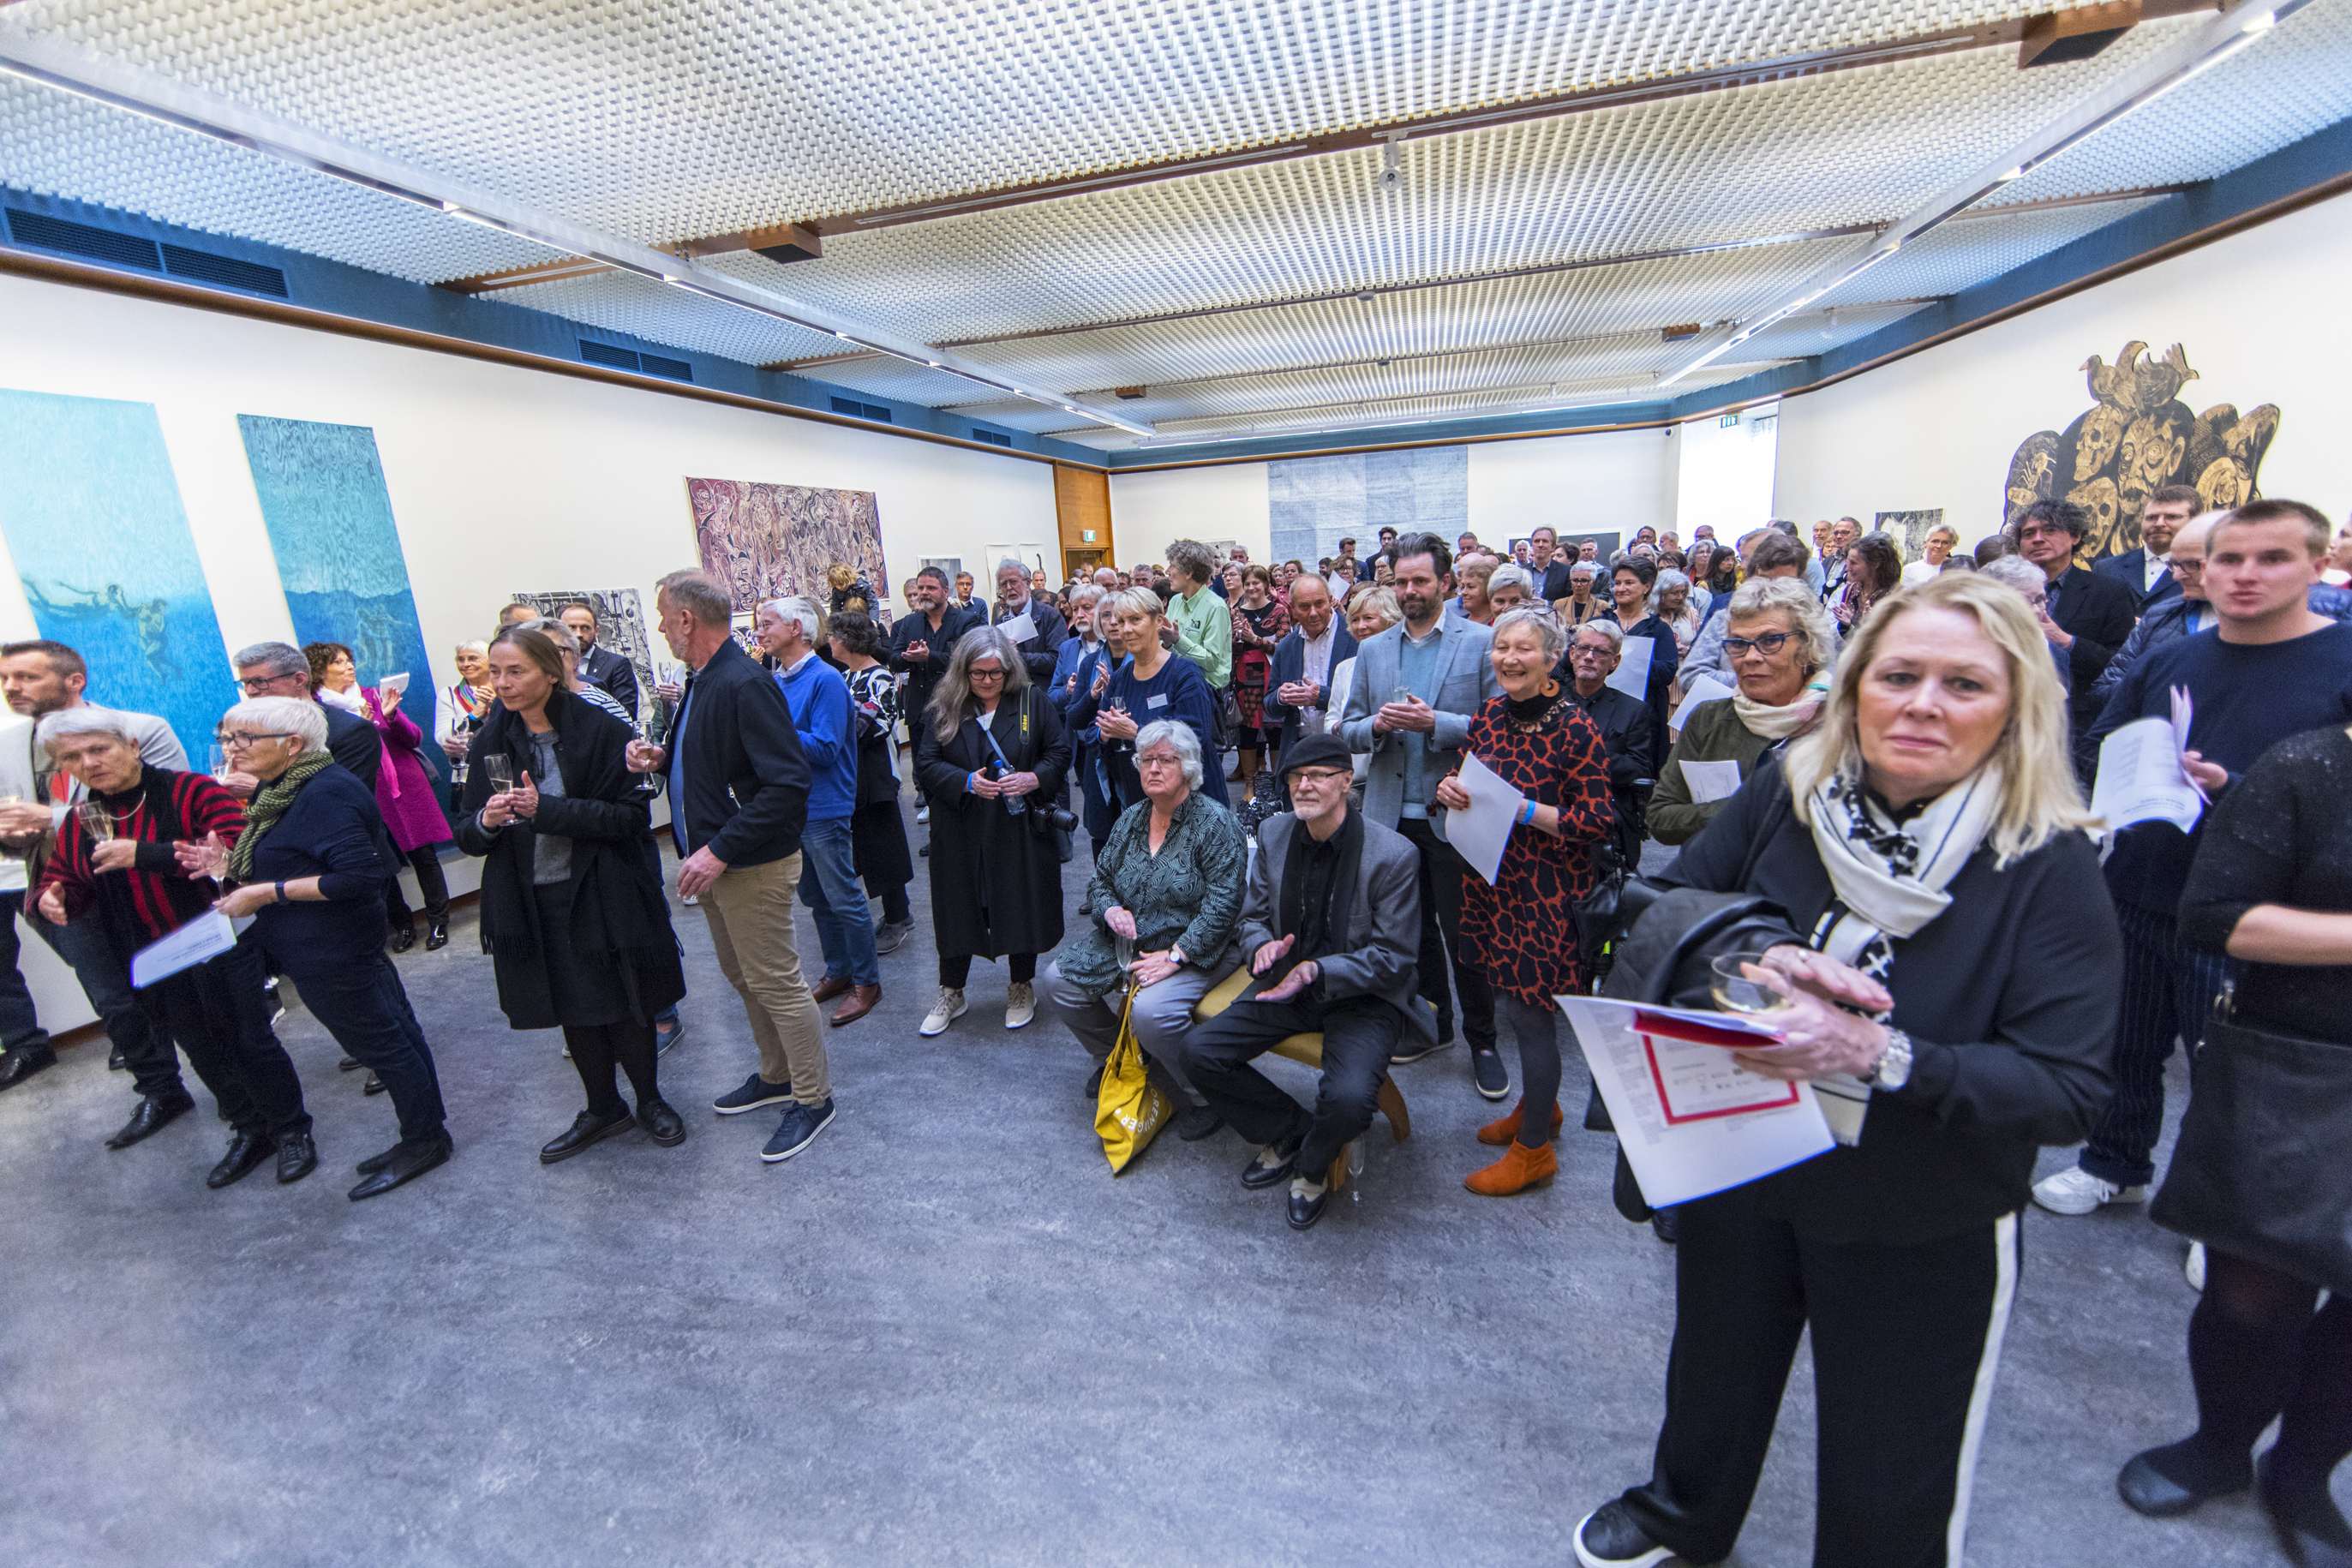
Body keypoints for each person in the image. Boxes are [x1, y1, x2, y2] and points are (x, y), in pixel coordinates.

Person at [1573, 571, 2122, 1568]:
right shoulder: (1792, 788)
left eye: (1964, 684)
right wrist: (1752, 954)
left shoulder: (2051, 863)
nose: (1921, 703)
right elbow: (1670, 903)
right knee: (1715, 1370)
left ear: (2016, 708)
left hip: (1918, 1205)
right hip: (1745, 1151)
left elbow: (2067, 1091)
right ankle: (1680, 1512)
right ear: (1856, 683)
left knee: (1892, 1450)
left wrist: (1880, 1053)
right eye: (1900, 674)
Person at [2039, 499, 2352, 1217]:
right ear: (2201, 570)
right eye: (2226, 559)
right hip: (2144, 882)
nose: (2244, 575)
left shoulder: (2340, 664)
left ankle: (2224, 1209)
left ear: (2315, 564)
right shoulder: (2170, 655)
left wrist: (2237, 791)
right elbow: (2104, 742)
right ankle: (2113, 1162)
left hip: (2261, 909)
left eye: (2270, 559)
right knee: (2126, 1045)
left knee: (2230, 1065)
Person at [2113, 721, 2352, 1560]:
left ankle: (2304, 1473)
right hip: (2297, 1065)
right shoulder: (2309, 767)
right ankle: (2220, 1447)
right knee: (2254, 1294)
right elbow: (2213, 918)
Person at [31, 707, 315, 1187]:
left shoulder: (191, 790)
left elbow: (236, 851)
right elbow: (65, 874)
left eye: (99, 749)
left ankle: (291, 1131)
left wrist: (144, 854)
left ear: (133, 747)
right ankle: (249, 1129)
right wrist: (51, 896)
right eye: (72, 758)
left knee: (248, 1041)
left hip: (218, 938)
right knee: (200, 1047)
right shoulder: (83, 817)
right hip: (152, 954)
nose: (89, 763)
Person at [1177, 734, 1432, 1231]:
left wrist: (1318, 970)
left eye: (1317, 776)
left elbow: (1395, 958)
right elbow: (1250, 919)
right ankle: (1291, 1129)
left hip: (1362, 997)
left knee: (1350, 1099)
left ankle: (1313, 1166)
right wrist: (1259, 947)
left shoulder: (1393, 855)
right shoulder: (1274, 835)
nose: (1303, 785)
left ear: (1345, 782)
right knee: (1198, 1053)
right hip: (1282, 985)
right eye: (1295, 777)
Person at [454, 627, 687, 1163]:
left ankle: (649, 1099)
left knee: (625, 1002)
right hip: (533, 897)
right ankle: (603, 1107)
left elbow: (631, 817)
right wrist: (487, 823)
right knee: (573, 1006)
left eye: (516, 672)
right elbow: (465, 830)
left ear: (551, 673)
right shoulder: (491, 740)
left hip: (603, 892)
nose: (502, 684)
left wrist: (547, 811)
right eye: (496, 672)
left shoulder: (599, 730)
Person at [211, 695, 452, 1200]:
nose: (232, 749)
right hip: (318, 944)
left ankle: (426, 1140)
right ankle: (425, 1134)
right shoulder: (281, 788)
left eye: (244, 738)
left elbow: (361, 876)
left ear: (292, 744)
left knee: (384, 1044)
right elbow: (291, 856)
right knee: (394, 1036)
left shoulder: (324, 791)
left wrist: (265, 892)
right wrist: (228, 868)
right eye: (228, 738)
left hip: (332, 945)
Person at [627, 571, 829, 1165]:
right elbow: (722, 761)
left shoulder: (742, 682)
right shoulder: (704, 680)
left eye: (665, 617)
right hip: (716, 864)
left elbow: (787, 783)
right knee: (744, 977)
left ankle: (814, 1097)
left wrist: (718, 850)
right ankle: (776, 1075)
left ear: (687, 619)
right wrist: (668, 756)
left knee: (776, 982)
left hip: (749, 865)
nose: (661, 627)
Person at [1430, 608, 1613, 1194]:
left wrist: (1528, 811)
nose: (1509, 658)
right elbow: (1471, 781)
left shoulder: (1575, 729)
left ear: (1551, 657)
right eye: (1502, 647)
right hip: (1491, 880)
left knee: (1532, 1023)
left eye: (1523, 649)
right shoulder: (1487, 715)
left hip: (1547, 895)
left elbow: (1596, 822)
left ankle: (1533, 1152)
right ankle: (1542, 1110)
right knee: (1509, 1002)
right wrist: (1448, 789)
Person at [1338, 532, 1505, 1095]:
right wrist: (1379, 726)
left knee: (1466, 933)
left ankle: (1483, 1039)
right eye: (1401, 581)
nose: (1409, 590)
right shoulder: (1372, 650)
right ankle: (1434, 1026)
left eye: (1420, 581)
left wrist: (1439, 723)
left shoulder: (1482, 642)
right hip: (1389, 816)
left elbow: (1499, 732)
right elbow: (1349, 729)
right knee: (1411, 933)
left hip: (1453, 814)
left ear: (1445, 583)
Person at [0, 640, 190, 1103]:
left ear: (74, 681)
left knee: (190, 996)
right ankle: (160, 1091)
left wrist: (50, 819)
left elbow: (170, 812)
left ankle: (248, 1104)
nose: (11, 688)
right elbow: (19, 828)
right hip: (61, 889)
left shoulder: (139, 728)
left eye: (25, 677)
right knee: (111, 1000)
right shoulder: (8, 744)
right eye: (5, 679)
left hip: (142, 885)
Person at [1044, 720, 1245, 1140]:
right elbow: (1100, 881)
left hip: (1196, 945)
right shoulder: (1133, 818)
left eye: (1165, 760)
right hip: (1133, 940)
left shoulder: (1215, 824)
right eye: (1146, 760)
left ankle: (1207, 1093)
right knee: (1058, 981)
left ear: (1188, 768)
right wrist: (1110, 908)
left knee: (1151, 1012)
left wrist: (1177, 956)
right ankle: (1117, 1058)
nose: (1153, 768)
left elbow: (1225, 904)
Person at [913, 629, 1068, 1035]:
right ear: (962, 671)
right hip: (960, 826)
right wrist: (966, 781)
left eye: (995, 674)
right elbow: (926, 764)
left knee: (1019, 902)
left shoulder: (1032, 700)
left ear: (1009, 670)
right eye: (977, 674)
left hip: (1015, 827)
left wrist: (1035, 779)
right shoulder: (945, 704)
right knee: (956, 907)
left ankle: (1021, 985)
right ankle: (952, 990)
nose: (986, 682)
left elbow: (1058, 752)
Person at [752, 596, 882, 1028]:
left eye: (767, 623)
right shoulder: (778, 679)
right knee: (815, 898)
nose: (759, 632)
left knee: (843, 897)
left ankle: (867, 982)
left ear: (795, 628)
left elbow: (826, 749)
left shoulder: (824, 680)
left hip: (825, 805)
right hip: (792, 808)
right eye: (758, 624)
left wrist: (775, 730)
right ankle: (839, 970)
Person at [1647, 578, 1834, 846]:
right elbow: (1660, 819)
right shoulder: (1710, 718)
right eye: (1738, 643)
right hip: (1716, 880)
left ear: (1806, 648)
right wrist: (1744, 807)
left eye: (1770, 641)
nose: (1750, 656)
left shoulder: (1837, 723)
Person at [307, 641, 454, 955]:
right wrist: (371, 722)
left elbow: (414, 738)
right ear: (319, 671)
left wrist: (390, 716)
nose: (349, 666)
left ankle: (439, 920)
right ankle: (402, 925)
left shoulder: (374, 695)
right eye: (338, 662)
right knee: (382, 864)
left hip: (404, 787)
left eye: (350, 660)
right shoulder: (316, 711)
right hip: (362, 793)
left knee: (424, 857)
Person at [1072, 588, 1230, 811]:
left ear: (1159, 621)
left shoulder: (1184, 674)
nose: (1126, 629)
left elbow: (1195, 737)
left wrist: (1135, 733)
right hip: (1142, 802)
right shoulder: (1119, 680)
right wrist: (1104, 733)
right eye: (1121, 621)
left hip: (1193, 805)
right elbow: (1092, 734)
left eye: (1135, 619)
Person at [2015, 499, 2140, 768]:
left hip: (2074, 728)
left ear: (2075, 536)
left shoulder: (2109, 593)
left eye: (2049, 531)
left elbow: (2122, 666)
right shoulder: (2000, 589)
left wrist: (2066, 641)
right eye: (2028, 533)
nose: (2037, 539)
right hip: (2009, 721)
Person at [829, 610, 916, 956]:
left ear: (849, 640)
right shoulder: (845, 676)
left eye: (834, 636)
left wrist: (836, 721)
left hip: (877, 775)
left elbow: (874, 725)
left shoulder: (877, 676)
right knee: (870, 845)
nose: (829, 642)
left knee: (884, 848)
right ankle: (901, 913)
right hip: (854, 775)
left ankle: (897, 919)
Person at [1558, 620, 1660, 862]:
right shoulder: (1549, 702)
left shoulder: (1633, 710)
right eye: (1583, 649)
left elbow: (1639, 769)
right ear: (1572, 654)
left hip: (1605, 809)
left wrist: (1589, 754)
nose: (1589, 657)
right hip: (1551, 804)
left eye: (1601, 652)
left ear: (1615, 661)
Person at [230, 642, 380, 792]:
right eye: (245, 683)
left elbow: (342, 797)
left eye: (259, 682)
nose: (250, 691)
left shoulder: (351, 731)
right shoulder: (257, 734)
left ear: (299, 680)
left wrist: (260, 788)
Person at [1679, 530, 1816, 686]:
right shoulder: (1726, 615)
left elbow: (1826, 678)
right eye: (1744, 559)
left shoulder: (1812, 620)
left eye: (1785, 581)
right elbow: (1690, 674)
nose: (1743, 565)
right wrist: (1754, 679)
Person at [1047, 585, 1118, 855]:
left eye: (1087, 607)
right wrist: (1070, 691)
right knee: (1097, 807)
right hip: (1080, 742)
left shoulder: (1117, 643)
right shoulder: (1067, 648)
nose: (1079, 614)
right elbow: (1052, 696)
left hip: (1116, 738)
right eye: (1074, 608)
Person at [1263, 573, 1356, 762]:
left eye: (1319, 604)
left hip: (1345, 748)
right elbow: (1269, 705)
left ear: (1331, 601)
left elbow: (1364, 701)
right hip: (1300, 749)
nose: (1313, 613)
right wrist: (1281, 697)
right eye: (1304, 607)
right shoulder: (1286, 647)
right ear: (1294, 610)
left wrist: (1321, 696)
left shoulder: (1354, 637)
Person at [1597, 556, 1681, 746]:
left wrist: (1628, 658)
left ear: (1647, 587)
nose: (1620, 588)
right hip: (1602, 710)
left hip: (1645, 714)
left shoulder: (1659, 629)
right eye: (1617, 583)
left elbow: (1667, 672)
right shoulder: (1600, 623)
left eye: (1629, 583)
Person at [1228, 565, 1289, 793]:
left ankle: (1278, 784)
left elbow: (1284, 648)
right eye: (1248, 584)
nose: (1252, 587)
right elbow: (1229, 652)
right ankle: (1250, 787)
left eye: (1256, 583)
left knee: (1275, 731)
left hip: (1272, 677)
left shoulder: (1279, 610)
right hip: (1245, 678)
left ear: (1266, 585)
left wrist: (1255, 639)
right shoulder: (1236, 612)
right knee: (1248, 732)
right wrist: (1234, 640)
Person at [2095, 484, 2197, 612]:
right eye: (2151, 517)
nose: (2159, 523)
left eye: (2172, 517)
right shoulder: (2107, 568)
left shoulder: (2202, 571)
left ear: (2195, 521)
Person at [1163, 540, 1234, 698]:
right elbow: (1166, 648)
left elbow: (1212, 661)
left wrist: (1178, 641)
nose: (1167, 571)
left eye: (1172, 566)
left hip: (1206, 692)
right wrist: (1167, 642)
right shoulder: (1175, 602)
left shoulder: (1216, 607)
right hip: (1178, 687)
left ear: (1189, 573)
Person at [557, 601, 642, 721]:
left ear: (596, 631)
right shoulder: (551, 666)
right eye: (571, 628)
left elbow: (627, 715)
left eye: (585, 628)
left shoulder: (617, 664)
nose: (579, 634)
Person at [989, 557, 1068, 684]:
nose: (1009, 588)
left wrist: (1017, 657)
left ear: (1027, 583)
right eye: (1003, 584)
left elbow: (1058, 659)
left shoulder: (1050, 616)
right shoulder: (1000, 623)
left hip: (1043, 693)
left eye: (1013, 582)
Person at [1832, 530, 1903, 634]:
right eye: (1847, 562)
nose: (1847, 568)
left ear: (1875, 564)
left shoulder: (1896, 596)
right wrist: (1845, 625)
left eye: (1853, 563)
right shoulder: (1847, 592)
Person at [1651, 568, 1703, 658]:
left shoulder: (1690, 613)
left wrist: (1688, 651)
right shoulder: (1647, 615)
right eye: (1674, 593)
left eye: (1682, 593)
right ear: (1660, 593)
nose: (1680, 597)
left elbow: (1700, 646)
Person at [1899, 525, 1960, 589]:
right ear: (1925, 544)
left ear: (1950, 546)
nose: (1939, 546)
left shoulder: (1958, 569)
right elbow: (1905, 596)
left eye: (1945, 542)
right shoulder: (1910, 569)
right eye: (1935, 541)